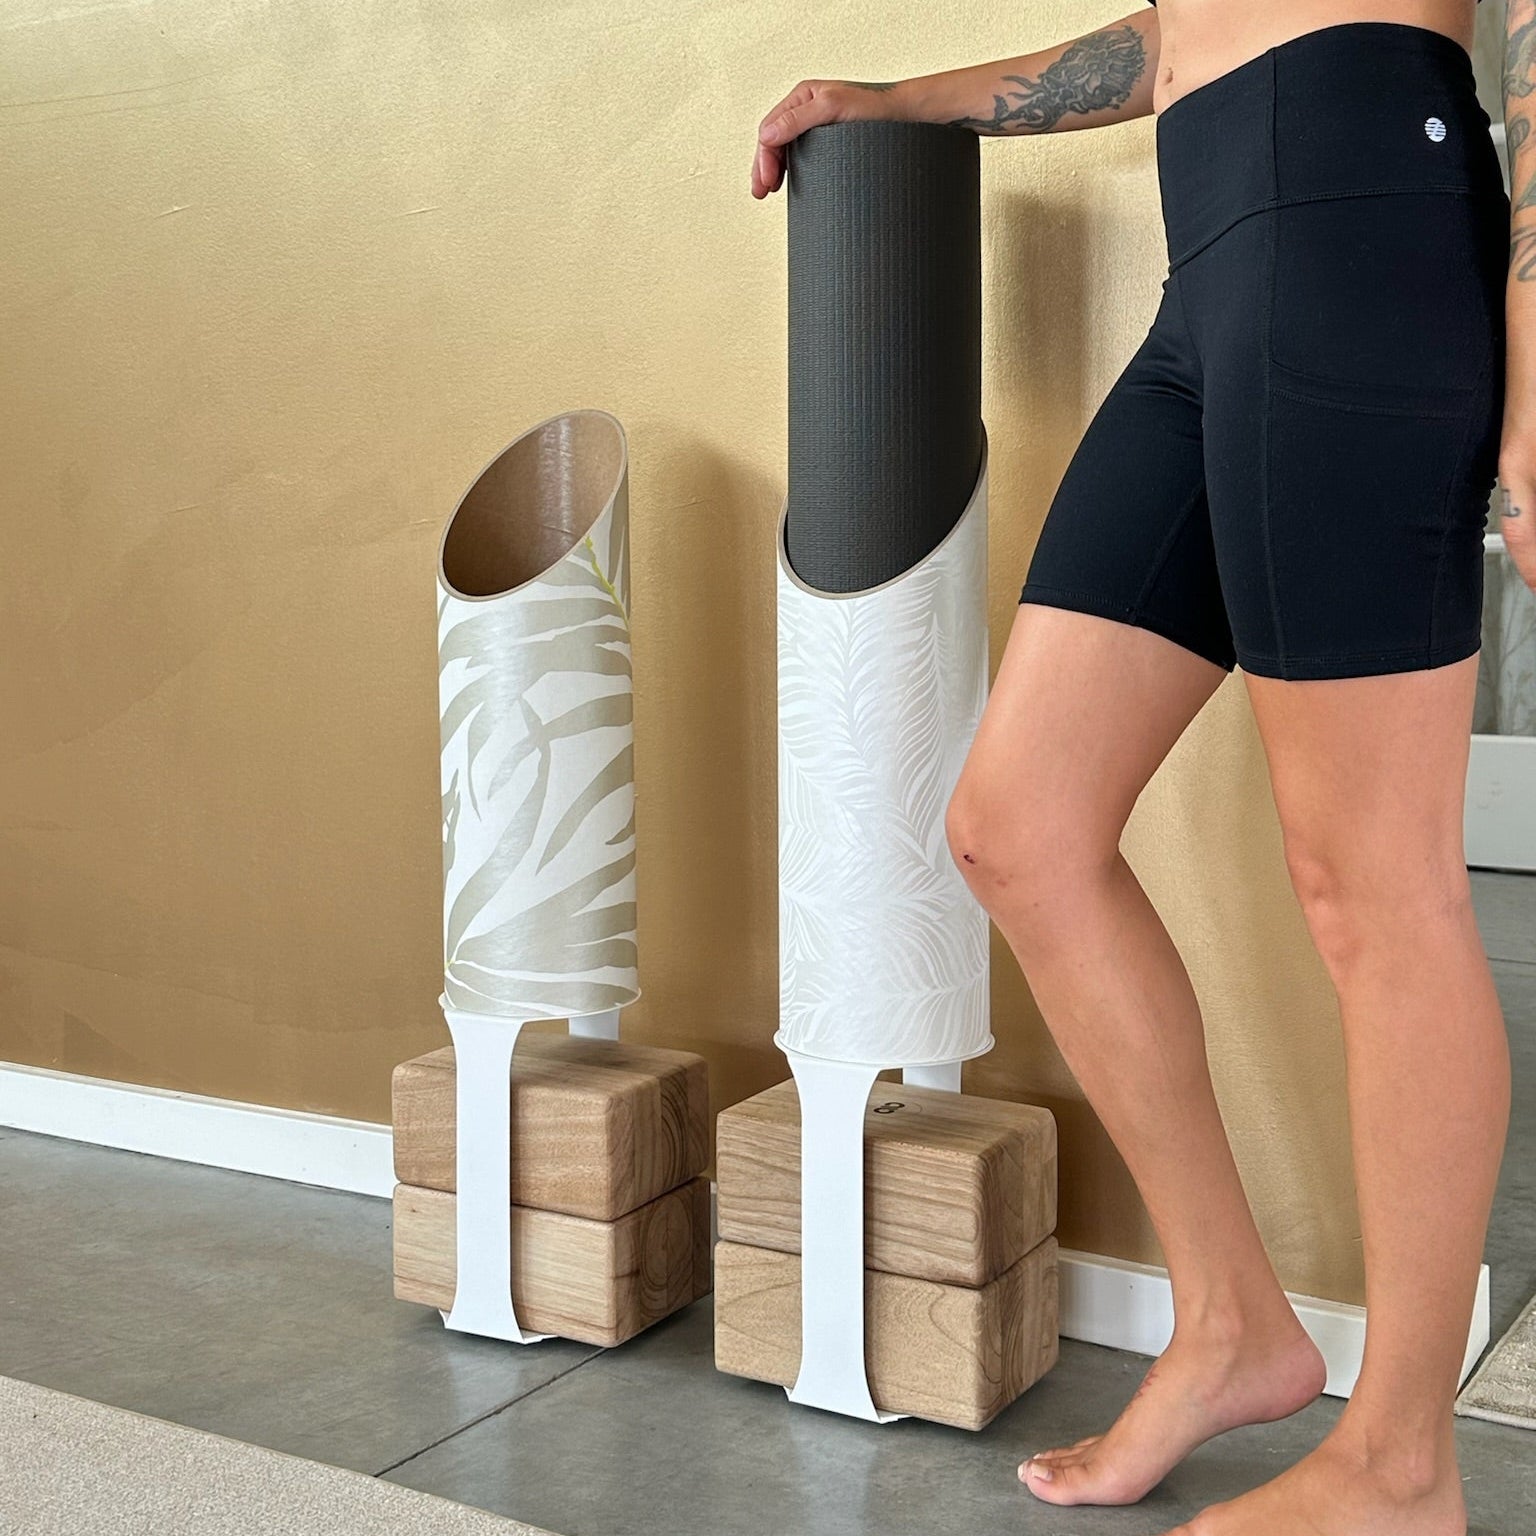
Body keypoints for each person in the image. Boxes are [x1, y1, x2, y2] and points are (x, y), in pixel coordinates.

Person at [752, 4, 1536, 1534]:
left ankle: (1401, 1467)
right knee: (1018, 828)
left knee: (1375, 888)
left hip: (1359, 221)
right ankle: (1236, 1325)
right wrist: (897, 101)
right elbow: (1173, 34)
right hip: (1220, 249)